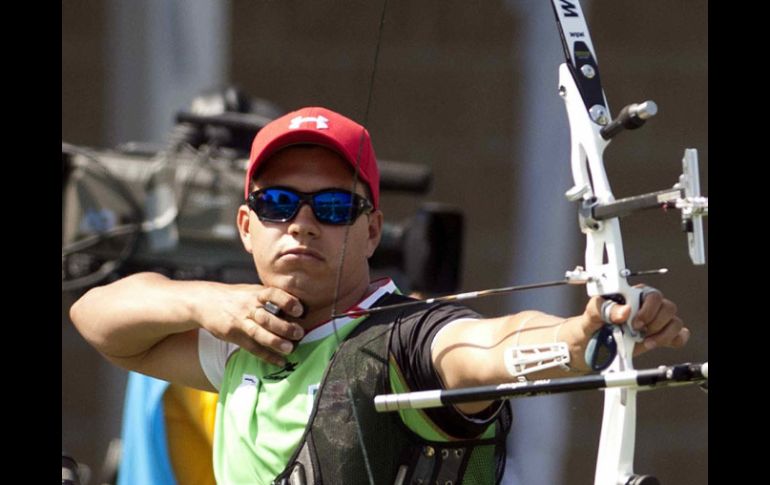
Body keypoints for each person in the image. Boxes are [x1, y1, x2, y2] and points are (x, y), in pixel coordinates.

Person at [70, 106, 688, 484]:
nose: (303, 223)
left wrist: (579, 340)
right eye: (279, 204)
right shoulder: (244, 341)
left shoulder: (404, 339)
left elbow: (483, 345)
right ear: (246, 226)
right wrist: (204, 301)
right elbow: (95, 317)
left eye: (334, 207)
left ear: (370, 230)